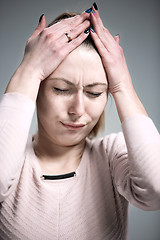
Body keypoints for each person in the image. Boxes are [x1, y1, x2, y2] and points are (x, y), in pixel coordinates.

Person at [0, 2, 160, 240]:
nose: (78, 110)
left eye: (95, 93)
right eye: (62, 89)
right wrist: (30, 69)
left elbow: (155, 191)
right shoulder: (12, 162)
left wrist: (122, 84)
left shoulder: (112, 155)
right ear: (37, 88)